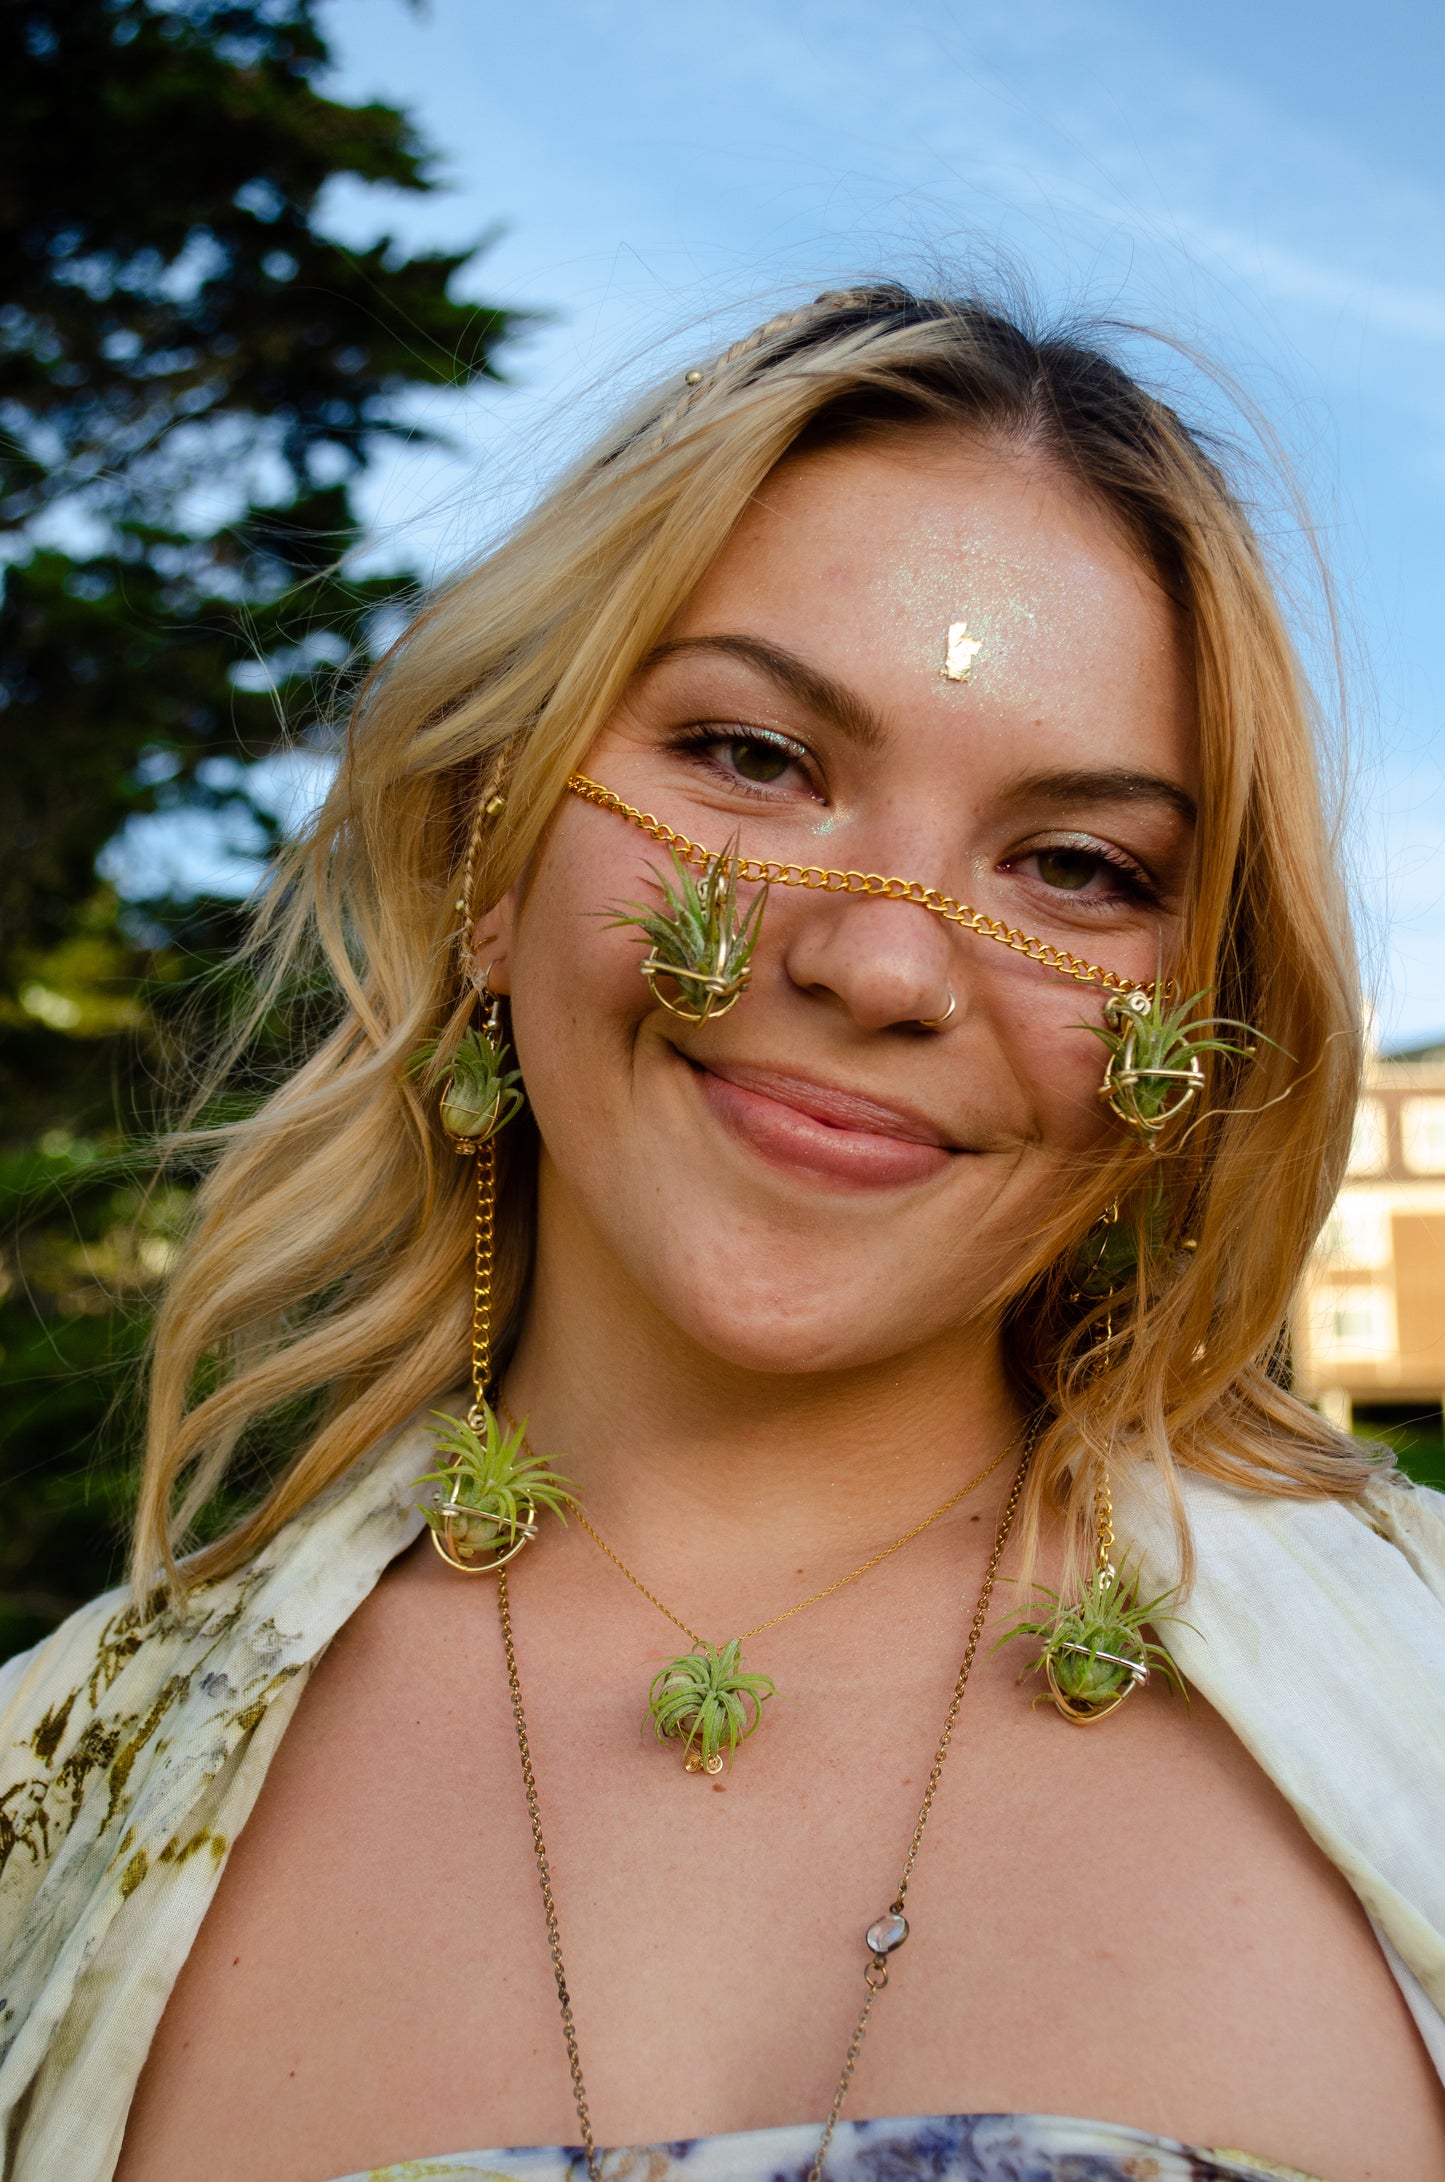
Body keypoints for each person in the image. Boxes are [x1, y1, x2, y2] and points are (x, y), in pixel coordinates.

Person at [2, 285, 1443, 2182]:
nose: (872, 962)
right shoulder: (47, 1778)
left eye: (1075, 867)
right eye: (753, 758)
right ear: (485, 860)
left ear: (1183, 1050)